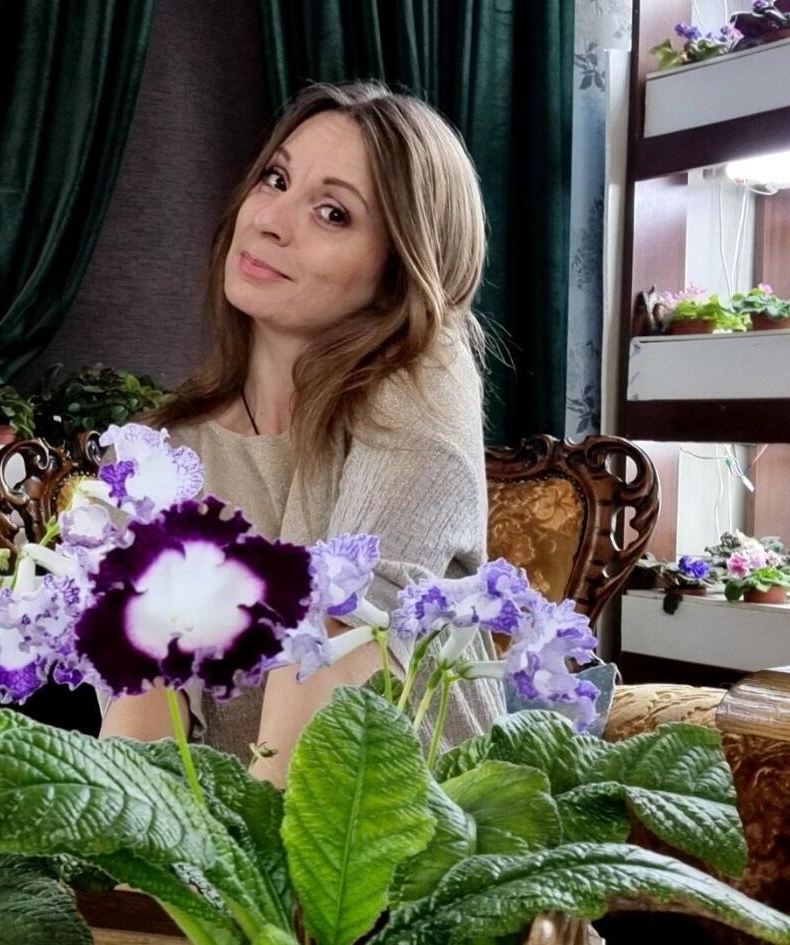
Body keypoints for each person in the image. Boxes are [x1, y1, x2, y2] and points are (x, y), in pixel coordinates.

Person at [98, 81, 502, 786]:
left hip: (423, 829)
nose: (271, 221)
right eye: (275, 179)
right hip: (234, 840)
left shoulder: (425, 375)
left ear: (395, 273)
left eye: (332, 212)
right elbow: (142, 728)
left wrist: (244, 855)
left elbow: (338, 633)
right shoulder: (163, 447)